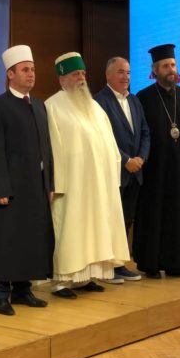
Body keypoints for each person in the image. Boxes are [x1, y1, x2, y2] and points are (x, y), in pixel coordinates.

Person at [45, 52, 130, 298]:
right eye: (75, 74)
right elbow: (53, 149)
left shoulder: (94, 105)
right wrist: (57, 183)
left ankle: (87, 277)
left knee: (95, 230)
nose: (81, 78)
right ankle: (62, 281)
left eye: (83, 73)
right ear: (62, 78)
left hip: (99, 183)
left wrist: (113, 176)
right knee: (70, 230)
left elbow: (110, 143)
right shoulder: (52, 106)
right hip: (72, 185)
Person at [0, 44, 54, 315]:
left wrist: (50, 183)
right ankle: (1, 294)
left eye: (32, 69)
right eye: (25, 70)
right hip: (10, 188)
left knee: (31, 239)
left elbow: (47, 149)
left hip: (36, 186)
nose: (31, 74)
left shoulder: (39, 105)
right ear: (10, 74)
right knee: (7, 240)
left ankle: (23, 290)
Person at [133, 43, 180, 279]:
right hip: (156, 168)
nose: (171, 70)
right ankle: (151, 264)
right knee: (155, 214)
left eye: (173, 65)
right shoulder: (143, 97)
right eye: (166, 66)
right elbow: (140, 134)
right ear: (155, 70)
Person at [94, 57, 150, 283]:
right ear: (108, 75)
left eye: (128, 72)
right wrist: (125, 160)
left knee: (126, 219)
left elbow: (145, 132)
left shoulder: (135, 101)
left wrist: (141, 158)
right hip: (113, 172)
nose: (125, 77)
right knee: (110, 221)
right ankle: (107, 267)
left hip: (135, 172)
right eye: (120, 72)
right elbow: (101, 138)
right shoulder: (98, 101)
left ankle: (120, 263)